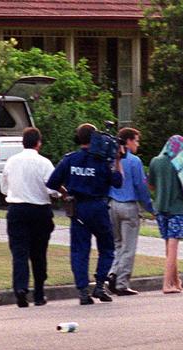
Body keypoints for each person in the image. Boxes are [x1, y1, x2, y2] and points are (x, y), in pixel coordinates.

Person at [46, 123, 123, 305]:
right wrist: (117, 160)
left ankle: (82, 291)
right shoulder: (103, 162)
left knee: (80, 251)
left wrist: (66, 193)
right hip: (98, 207)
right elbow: (118, 182)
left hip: (78, 208)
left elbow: (52, 182)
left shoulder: (70, 159)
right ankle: (99, 284)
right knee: (107, 247)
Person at [0, 127, 57, 307]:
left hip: (17, 209)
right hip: (40, 209)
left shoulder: (12, 161)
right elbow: (52, 189)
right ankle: (39, 293)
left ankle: (20, 288)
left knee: (19, 252)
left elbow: (3, 187)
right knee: (39, 253)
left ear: (22, 142)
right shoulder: (45, 163)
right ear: (38, 143)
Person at [148, 135, 183, 294]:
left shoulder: (155, 161)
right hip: (176, 208)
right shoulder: (181, 163)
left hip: (160, 208)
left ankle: (176, 281)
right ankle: (166, 284)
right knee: (173, 247)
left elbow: (150, 185)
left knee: (168, 248)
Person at [107, 128, 155, 296]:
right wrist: (150, 207)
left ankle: (112, 273)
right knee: (129, 246)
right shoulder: (134, 161)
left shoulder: (111, 159)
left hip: (112, 203)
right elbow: (141, 187)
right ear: (127, 142)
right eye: (135, 140)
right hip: (128, 205)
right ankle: (121, 283)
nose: (137, 144)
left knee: (117, 243)